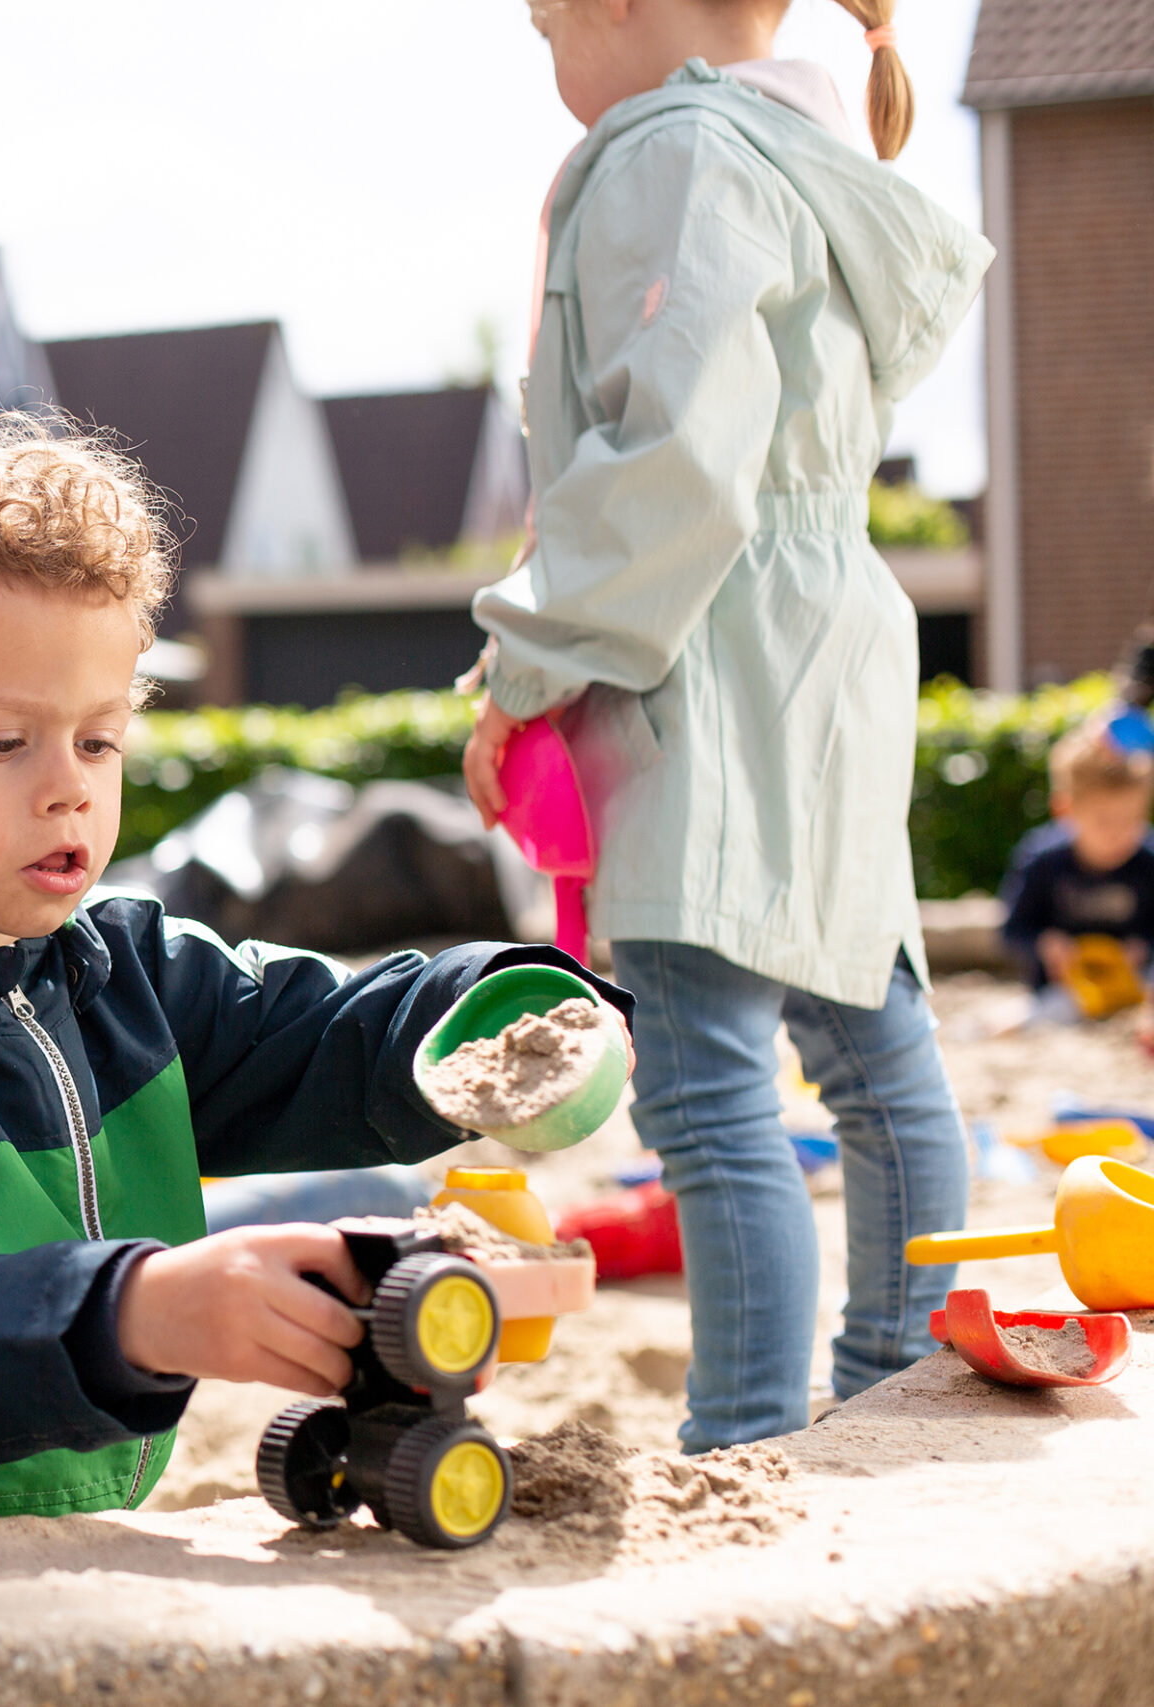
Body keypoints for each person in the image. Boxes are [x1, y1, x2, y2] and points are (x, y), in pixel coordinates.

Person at [0, 392, 629, 1518]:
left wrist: (511, 1013)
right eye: (2, 741)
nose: (68, 785)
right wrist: (139, 1309)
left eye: (99, 738)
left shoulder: (119, 975)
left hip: (53, 1533)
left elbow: (321, 1037)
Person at [462, 0, 990, 1452]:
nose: (551, 62)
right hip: (830, 631)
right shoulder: (797, 148)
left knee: (702, 1081)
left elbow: (673, 459)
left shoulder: (670, 148)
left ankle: (747, 1433)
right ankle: (894, 1384)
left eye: (546, 27)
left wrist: (525, 665)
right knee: (874, 1043)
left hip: (705, 641)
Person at [998, 728, 1154, 1039]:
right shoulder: (1043, 861)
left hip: (1137, 983)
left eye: (1131, 820)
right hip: (1069, 987)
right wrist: (1046, 944)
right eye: (1104, 821)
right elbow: (1012, 930)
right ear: (1065, 810)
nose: (1118, 834)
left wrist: (1143, 946)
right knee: (1045, 1014)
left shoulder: (1148, 860)